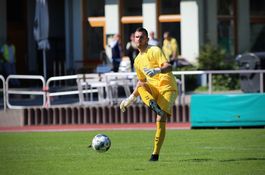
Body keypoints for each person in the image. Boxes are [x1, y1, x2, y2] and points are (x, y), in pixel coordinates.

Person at [120, 27, 178, 161]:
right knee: (140, 85)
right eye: (136, 37)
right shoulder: (137, 61)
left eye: (141, 37)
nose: (138, 39)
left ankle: (155, 154)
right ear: (133, 39)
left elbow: (169, 66)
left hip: (167, 87)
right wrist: (130, 99)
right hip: (153, 89)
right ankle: (155, 107)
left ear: (147, 39)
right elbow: (141, 83)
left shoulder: (155, 50)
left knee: (160, 120)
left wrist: (157, 70)